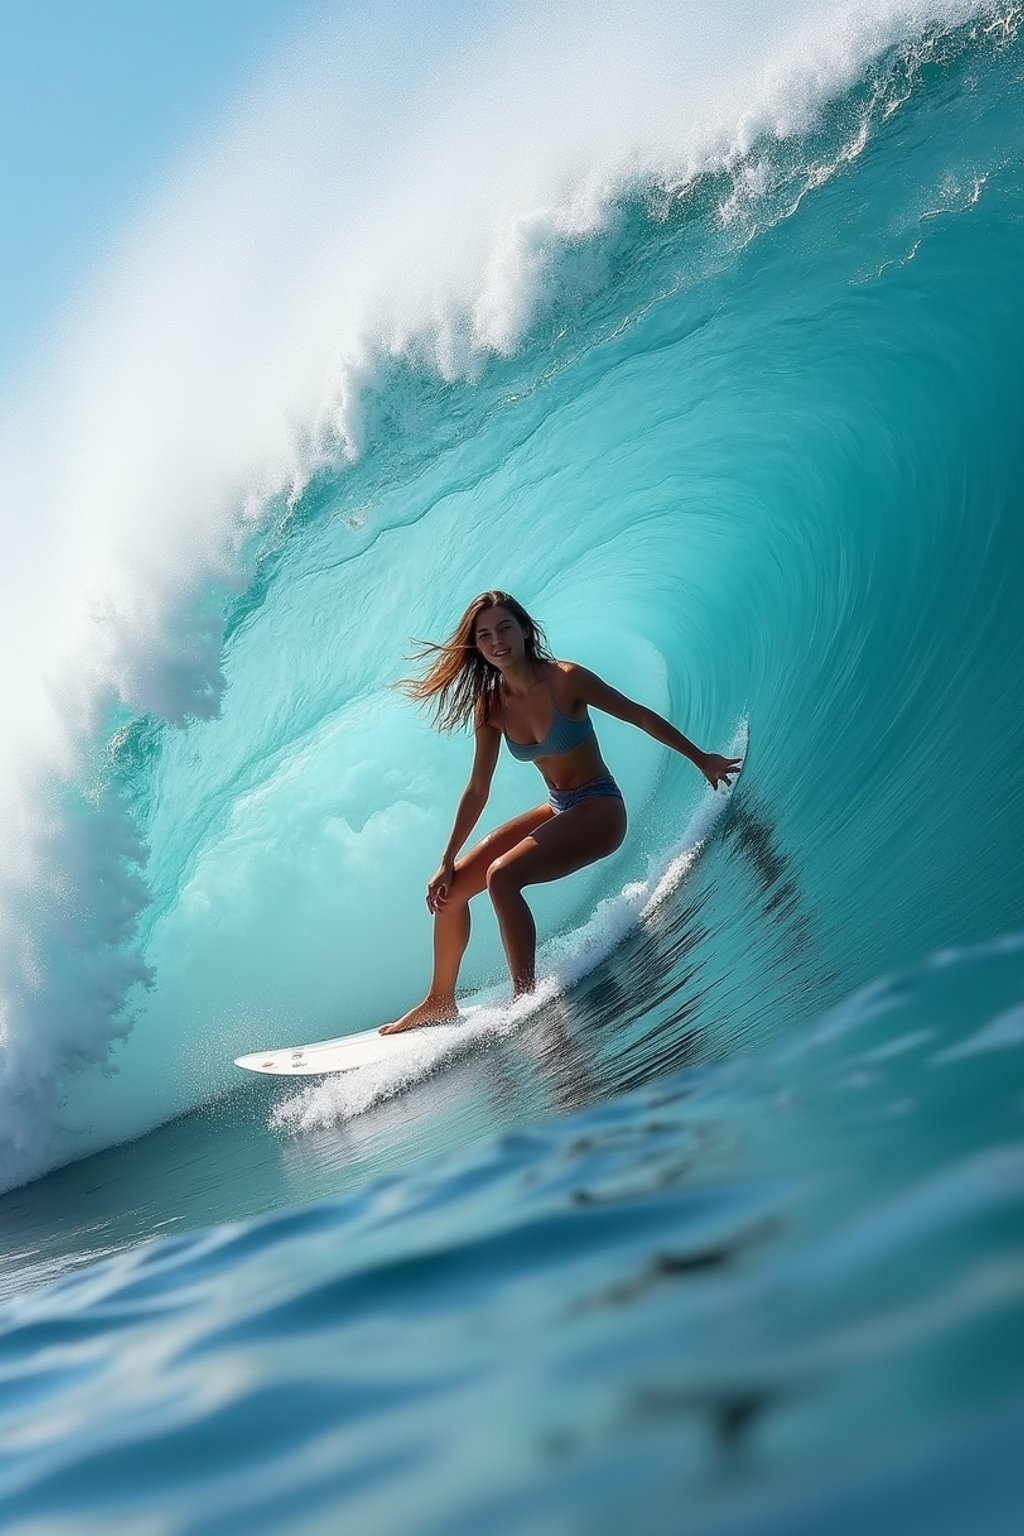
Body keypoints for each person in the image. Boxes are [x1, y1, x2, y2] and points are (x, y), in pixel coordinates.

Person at [380, 590, 742, 1034]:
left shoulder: (566, 679)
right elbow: (477, 789)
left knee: (502, 876)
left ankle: (525, 999)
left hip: (601, 809)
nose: (497, 641)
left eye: (505, 628)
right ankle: (440, 1000)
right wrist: (445, 861)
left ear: (525, 629)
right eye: (485, 635)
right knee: (450, 892)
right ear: (476, 646)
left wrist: (701, 758)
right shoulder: (491, 705)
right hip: (558, 808)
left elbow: (639, 716)